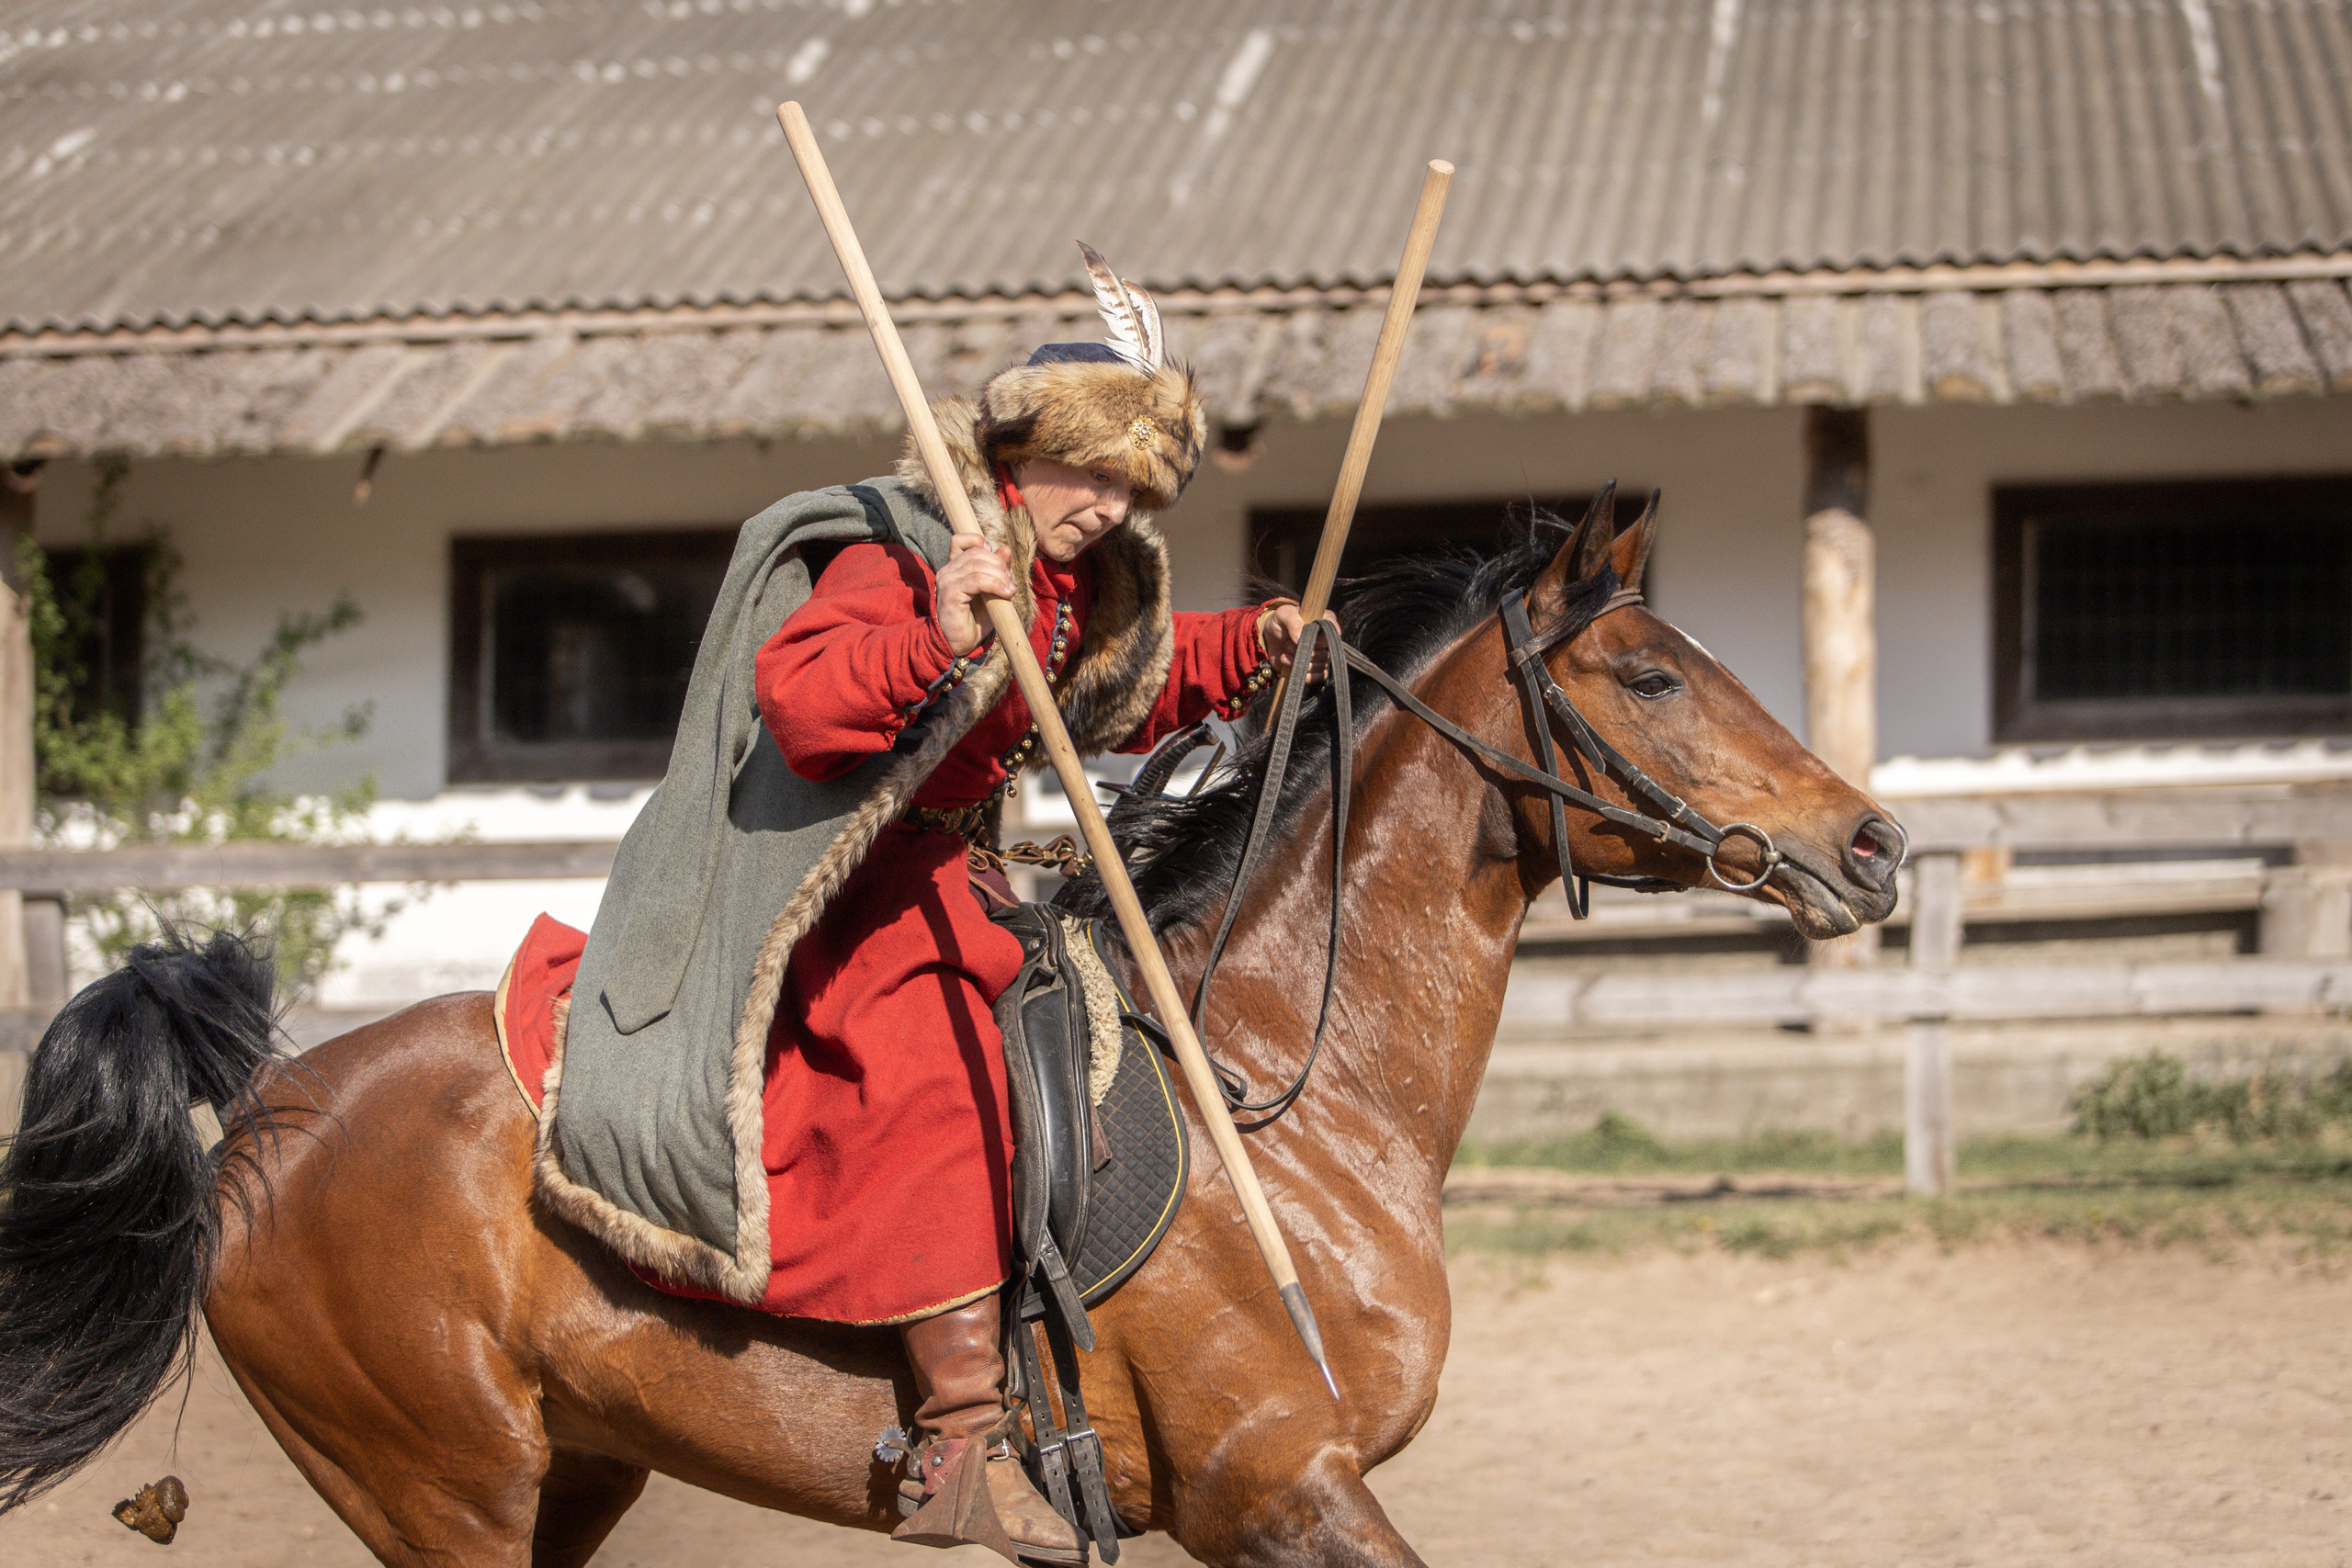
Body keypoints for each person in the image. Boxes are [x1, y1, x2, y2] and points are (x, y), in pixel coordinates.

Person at [514, 249, 1328, 1567]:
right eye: (1094, 474)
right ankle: (958, 1439)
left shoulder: (1077, 579)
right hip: (852, 875)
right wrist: (940, 632)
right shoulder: (908, 542)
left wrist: (1251, 647)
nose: (1112, 505)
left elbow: (1118, 690)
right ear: (1022, 451)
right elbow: (805, 700)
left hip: (975, 872)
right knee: (939, 1063)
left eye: (1134, 484)